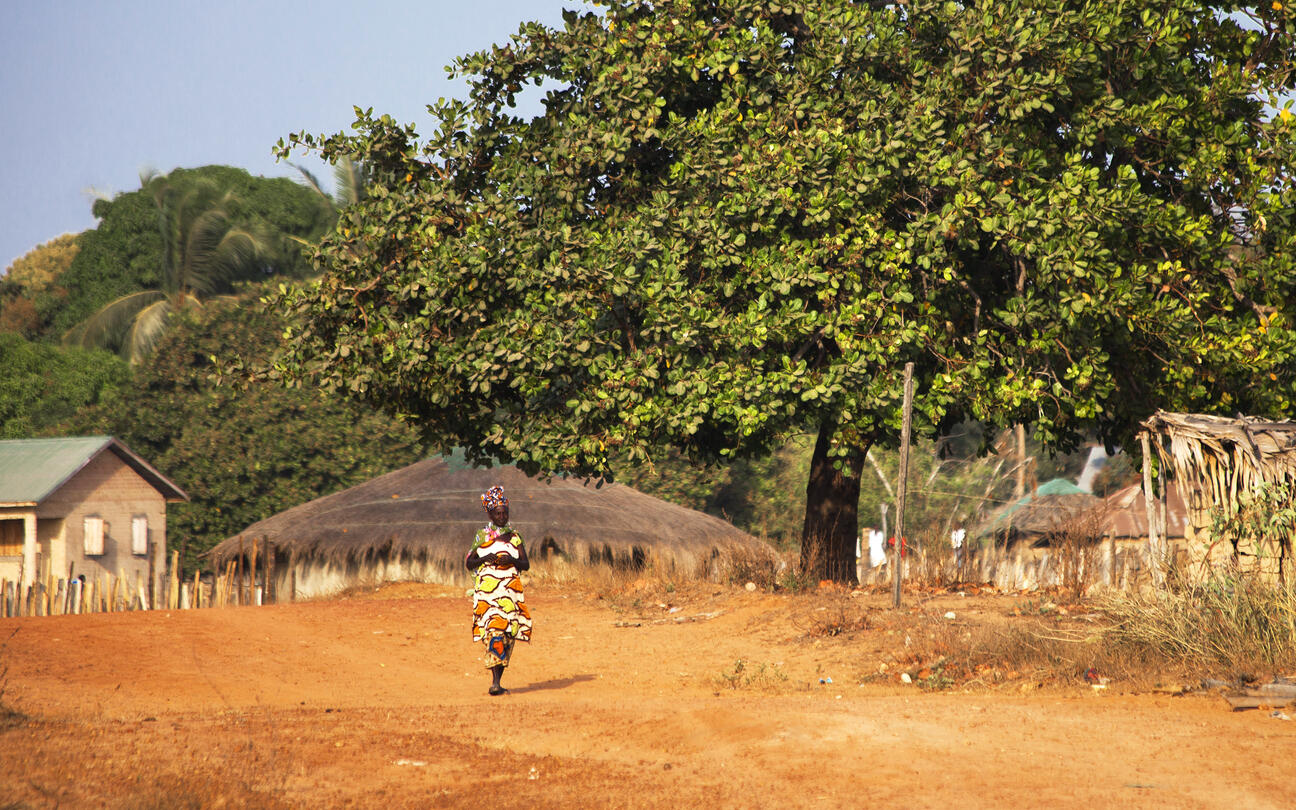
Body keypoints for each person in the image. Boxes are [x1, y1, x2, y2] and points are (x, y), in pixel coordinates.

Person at [464, 485, 532, 696]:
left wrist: (510, 559)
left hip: (510, 593)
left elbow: (525, 564)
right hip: (488, 594)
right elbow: (470, 562)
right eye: (497, 513)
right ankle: (494, 682)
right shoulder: (482, 535)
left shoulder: (515, 536)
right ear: (490, 514)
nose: (502, 517)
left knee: (507, 634)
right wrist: (486, 558)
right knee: (494, 631)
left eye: (505, 513)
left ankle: (498, 681)